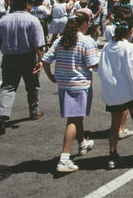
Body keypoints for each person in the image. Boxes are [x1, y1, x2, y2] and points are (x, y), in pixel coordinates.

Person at [42, 13, 99, 173]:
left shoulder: (61, 39)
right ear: (83, 24)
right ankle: (64, 158)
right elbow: (92, 64)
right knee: (73, 120)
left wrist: (51, 76)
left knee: (76, 115)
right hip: (79, 84)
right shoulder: (87, 41)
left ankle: (82, 143)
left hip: (63, 83)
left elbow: (45, 60)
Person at [0, 0, 46, 133]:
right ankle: (34, 111)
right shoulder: (33, 20)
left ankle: (1, 115)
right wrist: (41, 60)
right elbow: (39, 44)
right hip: (28, 57)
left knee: (8, 87)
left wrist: (7, 50)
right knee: (32, 85)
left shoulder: (3, 20)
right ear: (28, 5)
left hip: (9, 57)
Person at [99, 17, 133, 169]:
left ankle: (112, 154)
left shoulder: (106, 46)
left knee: (114, 123)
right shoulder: (131, 48)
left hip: (112, 89)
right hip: (129, 87)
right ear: (128, 33)